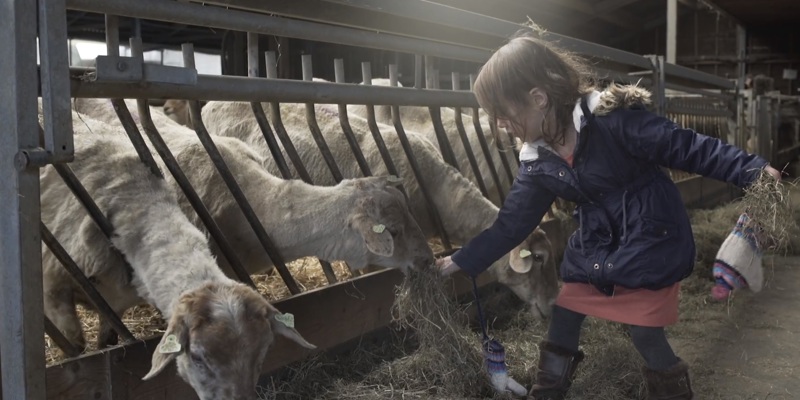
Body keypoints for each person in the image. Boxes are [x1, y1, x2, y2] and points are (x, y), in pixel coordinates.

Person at [435, 25, 781, 400]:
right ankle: (545, 393)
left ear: (538, 98)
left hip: (652, 238)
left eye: (502, 112)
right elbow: (511, 224)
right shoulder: (538, 161)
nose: (499, 124)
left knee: (645, 333)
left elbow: (688, 147)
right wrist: (460, 261)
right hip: (598, 244)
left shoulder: (614, 121)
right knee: (564, 315)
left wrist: (753, 171)